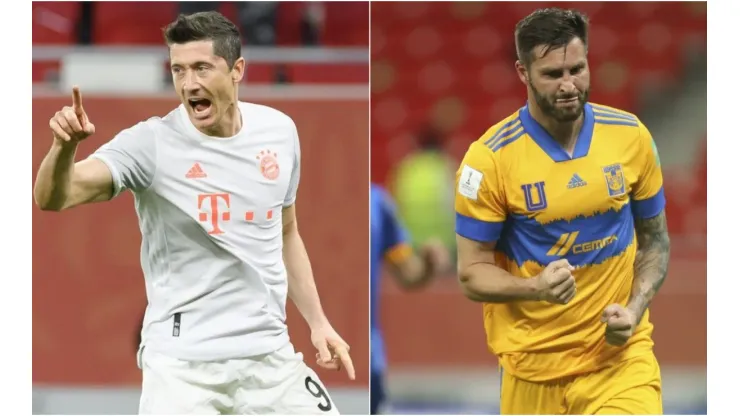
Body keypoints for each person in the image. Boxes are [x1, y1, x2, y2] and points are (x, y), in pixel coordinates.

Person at [34, 11, 354, 415]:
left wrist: (318, 321)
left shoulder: (279, 131)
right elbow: (53, 197)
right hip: (183, 367)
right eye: (179, 70)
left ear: (237, 69)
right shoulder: (150, 143)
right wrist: (63, 147)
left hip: (269, 356)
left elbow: (286, 232)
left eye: (202, 68)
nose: (189, 84)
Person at [454, 8, 670, 415]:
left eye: (578, 69)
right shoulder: (489, 161)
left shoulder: (631, 137)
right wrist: (535, 287)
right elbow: (471, 273)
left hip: (619, 364)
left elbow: (655, 241)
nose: (569, 85)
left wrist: (635, 309)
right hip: (532, 373)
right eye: (553, 74)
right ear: (523, 72)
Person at [369, 183, 449, 414]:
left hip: (369, 358)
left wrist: (427, 264)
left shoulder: (377, 203)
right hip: (312, 350)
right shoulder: (304, 197)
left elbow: (408, 274)